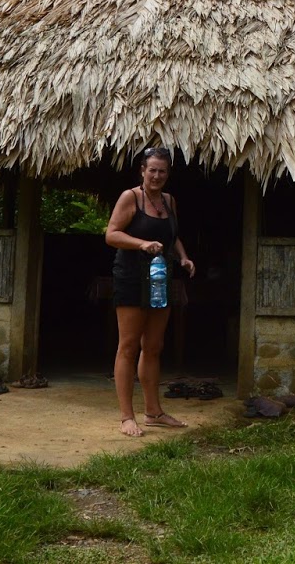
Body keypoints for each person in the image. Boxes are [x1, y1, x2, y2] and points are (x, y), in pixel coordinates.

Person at [106, 146, 196, 437]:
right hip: (131, 277)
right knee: (128, 346)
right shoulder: (130, 197)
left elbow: (173, 236)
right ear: (142, 171)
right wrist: (141, 244)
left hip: (159, 279)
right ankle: (126, 417)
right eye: (152, 170)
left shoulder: (169, 200)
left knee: (154, 346)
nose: (157, 175)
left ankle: (154, 412)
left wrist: (182, 256)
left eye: (162, 171)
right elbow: (112, 234)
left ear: (168, 173)